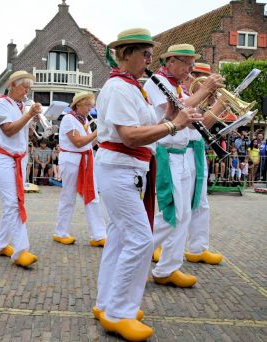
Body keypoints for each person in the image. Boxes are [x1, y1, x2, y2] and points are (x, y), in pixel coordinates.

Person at [92, 28, 201, 341]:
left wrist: (167, 113)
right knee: (140, 239)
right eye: (146, 54)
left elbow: (143, 127)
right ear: (126, 54)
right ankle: (119, 312)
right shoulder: (118, 88)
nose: (151, 60)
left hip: (128, 170)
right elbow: (128, 135)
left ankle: (106, 304)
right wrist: (173, 124)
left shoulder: (132, 87)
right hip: (119, 170)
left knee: (119, 238)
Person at [144, 45, 224, 284]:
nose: (191, 69)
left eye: (192, 63)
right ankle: (139, 248)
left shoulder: (176, 85)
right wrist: (206, 90)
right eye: (187, 63)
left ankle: (168, 268)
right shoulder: (156, 82)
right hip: (169, 153)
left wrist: (209, 105)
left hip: (183, 153)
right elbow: (177, 111)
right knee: (173, 213)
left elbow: (188, 121)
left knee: (184, 214)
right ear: (170, 62)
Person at [0, 70, 41, 268]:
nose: (26, 91)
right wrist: (29, 114)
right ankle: (21, 249)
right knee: (13, 203)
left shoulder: (21, 106)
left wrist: (32, 119)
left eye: (29, 88)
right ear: (12, 86)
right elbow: (9, 130)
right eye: (23, 87)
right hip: (3, 157)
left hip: (18, 158)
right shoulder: (1, 103)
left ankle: (0, 244)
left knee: (12, 203)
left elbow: (24, 133)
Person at [181, 63, 224, 265]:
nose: (208, 83)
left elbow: (203, 127)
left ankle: (198, 248)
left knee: (201, 203)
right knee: (177, 203)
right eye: (203, 78)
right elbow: (200, 124)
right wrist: (220, 104)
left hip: (196, 150)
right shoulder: (183, 94)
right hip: (181, 152)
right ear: (192, 77)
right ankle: (158, 246)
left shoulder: (201, 99)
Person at [53, 91, 107, 247]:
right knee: (68, 197)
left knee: (92, 196)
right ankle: (60, 232)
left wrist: (102, 134)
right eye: (88, 105)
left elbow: (89, 143)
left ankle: (98, 234)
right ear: (78, 104)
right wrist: (97, 132)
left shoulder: (84, 121)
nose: (90, 109)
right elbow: (78, 142)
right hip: (71, 160)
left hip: (86, 160)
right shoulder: (69, 119)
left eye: (91, 105)